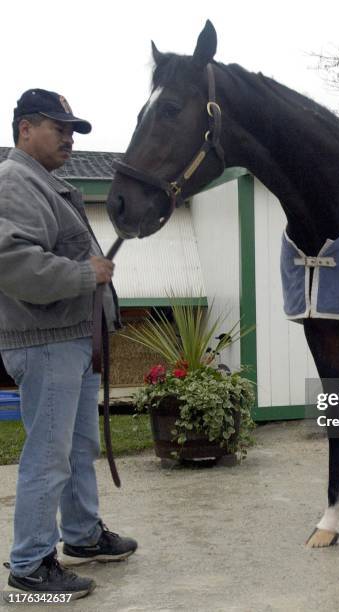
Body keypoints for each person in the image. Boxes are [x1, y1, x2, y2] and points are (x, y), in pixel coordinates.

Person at [0, 89, 137, 600]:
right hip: (47, 344)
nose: (68, 138)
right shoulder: (15, 182)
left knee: (78, 449)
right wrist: (86, 274)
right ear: (25, 128)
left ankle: (81, 537)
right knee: (49, 455)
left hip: (73, 342)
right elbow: (13, 263)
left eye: (72, 131)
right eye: (58, 128)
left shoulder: (48, 185)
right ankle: (30, 565)